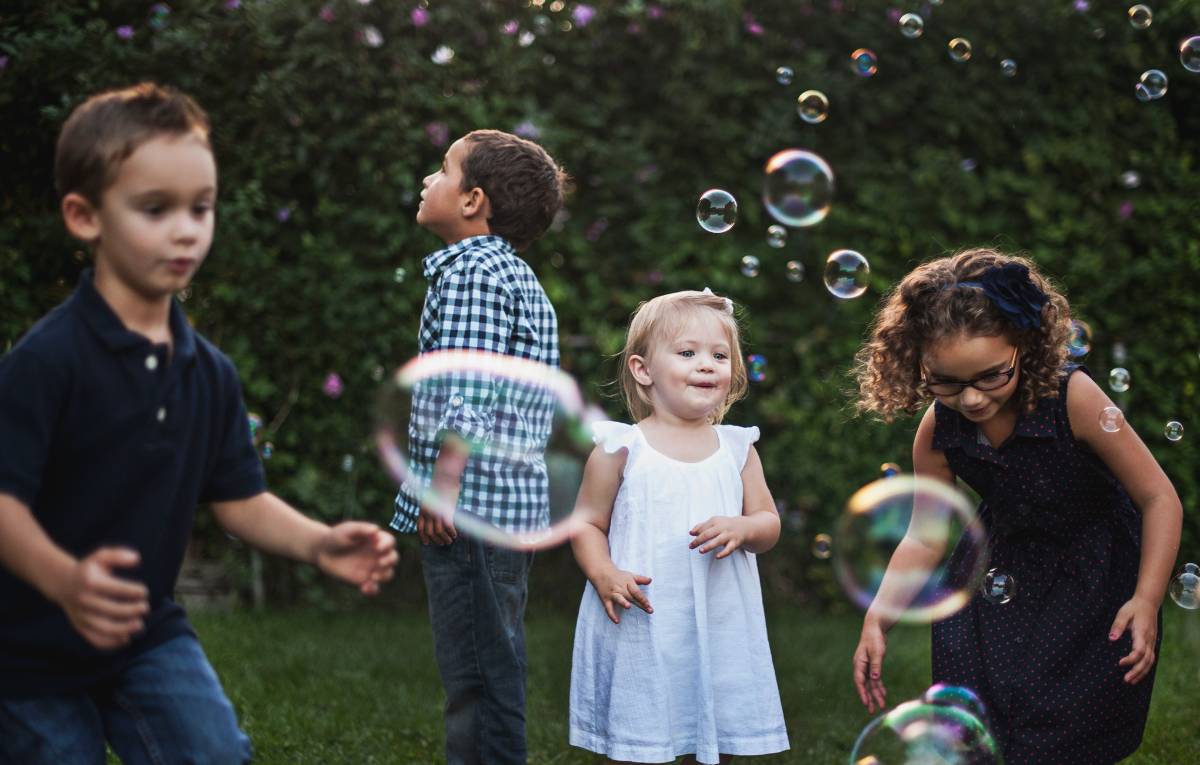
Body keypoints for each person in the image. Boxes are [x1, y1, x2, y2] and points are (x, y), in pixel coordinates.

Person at [0, 82, 398, 764]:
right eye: (155, 209)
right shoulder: (48, 361)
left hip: (144, 634)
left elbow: (239, 499)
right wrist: (66, 580)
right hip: (28, 649)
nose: (186, 228)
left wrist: (320, 542)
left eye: (201, 207)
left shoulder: (208, 372)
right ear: (84, 215)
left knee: (213, 752)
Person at [850, 248, 1183, 764]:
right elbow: (924, 535)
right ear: (917, 364)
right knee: (982, 717)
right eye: (946, 382)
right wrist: (879, 615)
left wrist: (1146, 598)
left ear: (1024, 347)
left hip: (1090, 572)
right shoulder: (939, 429)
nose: (973, 399)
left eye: (990, 376)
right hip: (998, 573)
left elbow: (1158, 497)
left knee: (1066, 722)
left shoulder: (1072, 398)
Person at [390, 129, 568, 764]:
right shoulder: (512, 275)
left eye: (441, 171)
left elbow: (467, 386)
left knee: (478, 677)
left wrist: (444, 484)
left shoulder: (471, 272)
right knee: (494, 661)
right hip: (503, 510)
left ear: (472, 201)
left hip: (472, 510)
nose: (426, 181)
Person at [568, 289, 789, 765]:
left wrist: (744, 527)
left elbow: (768, 523)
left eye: (719, 355)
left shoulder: (736, 448)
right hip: (645, 619)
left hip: (718, 618)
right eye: (687, 353)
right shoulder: (620, 447)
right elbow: (587, 522)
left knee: (715, 724)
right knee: (643, 728)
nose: (706, 365)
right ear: (643, 370)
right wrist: (604, 573)